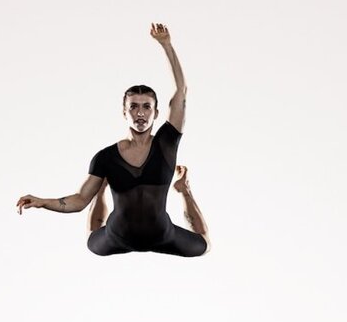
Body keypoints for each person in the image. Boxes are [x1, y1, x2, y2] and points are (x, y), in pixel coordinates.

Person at [16, 23, 210, 257]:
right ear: (124, 112)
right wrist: (42, 201)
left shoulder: (166, 143)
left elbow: (181, 89)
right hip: (116, 236)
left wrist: (166, 45)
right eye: (134, 107)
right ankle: (102, 189)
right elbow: (79, 201)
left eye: (147, 107)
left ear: (156, 113)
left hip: (162, 234)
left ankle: (184, 189)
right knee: (91, 240)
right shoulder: (106, 157)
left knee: (204, 246)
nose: (140, 113)